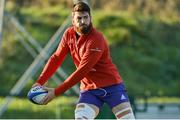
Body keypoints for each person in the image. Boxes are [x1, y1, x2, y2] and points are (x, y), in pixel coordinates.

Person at [32, 1, 135, 119]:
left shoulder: (96, 39)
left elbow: (82, 71)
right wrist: (39, 82)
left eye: (86, 17)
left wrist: (56, 92)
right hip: (89, 90)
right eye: (79, 18)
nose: (83, 21)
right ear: (73, 20)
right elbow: (56, 58)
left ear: (90, 18)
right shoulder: (68, 34)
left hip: (112, 86)